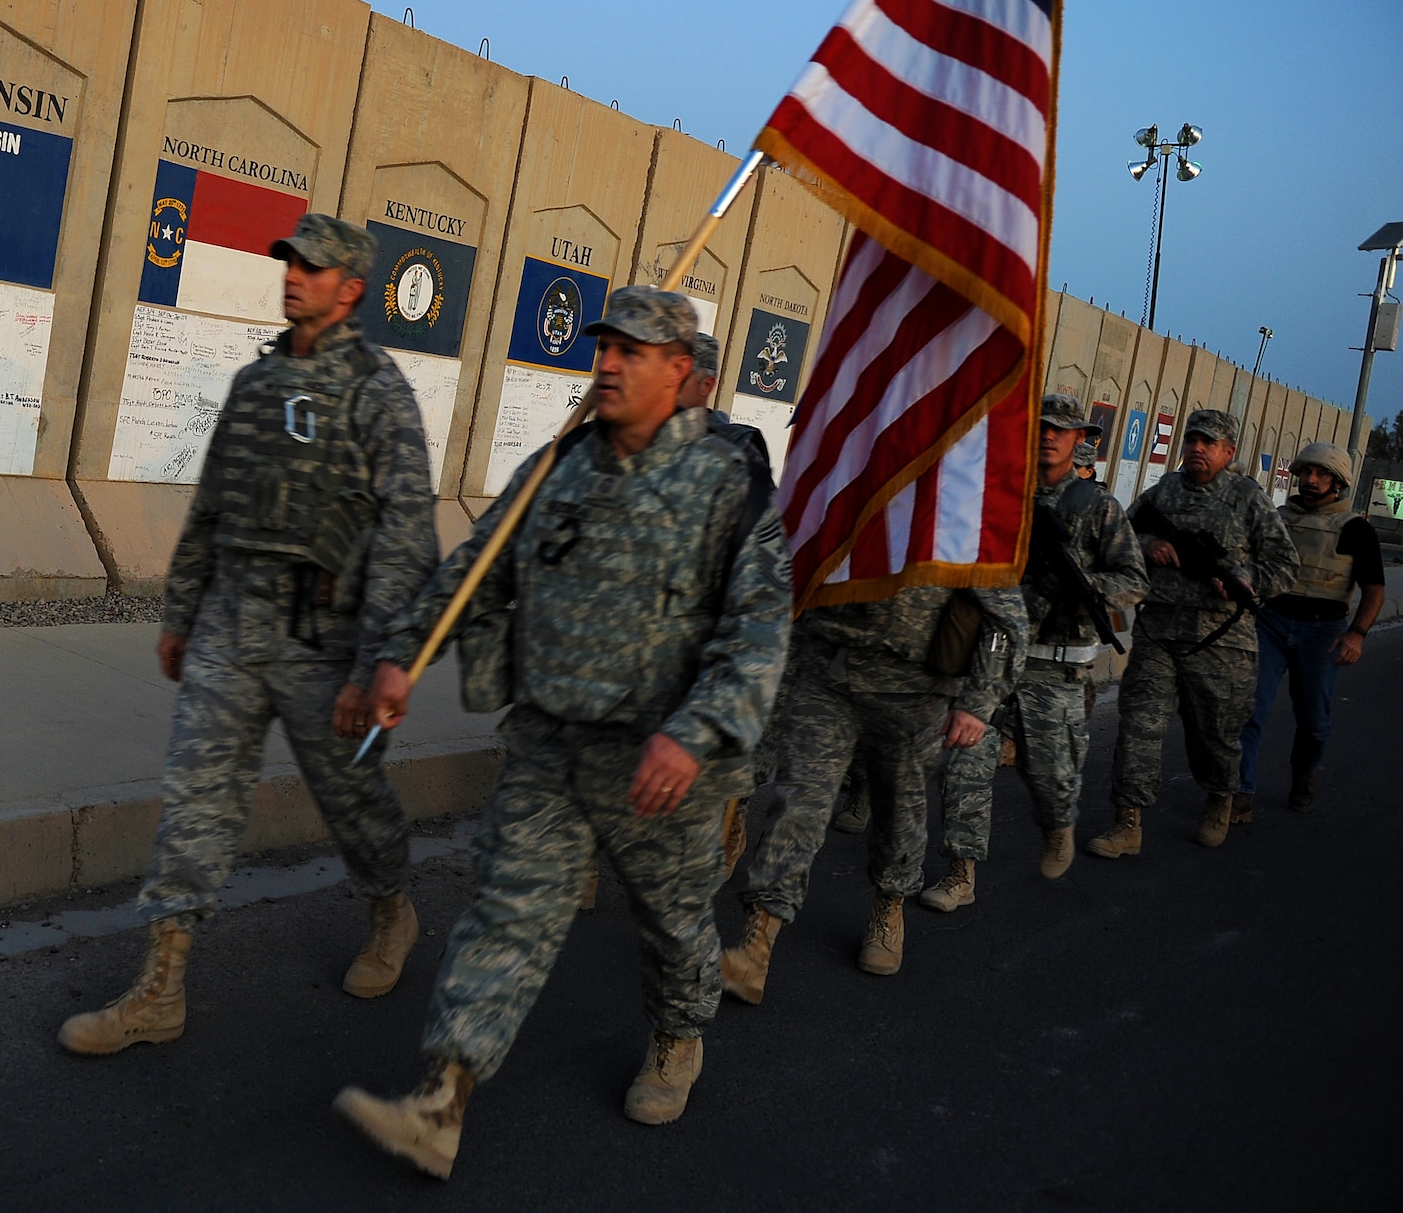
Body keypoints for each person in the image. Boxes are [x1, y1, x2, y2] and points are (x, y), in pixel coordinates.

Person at [333, 287, 790, 1178]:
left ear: (679, 371)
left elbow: (761, 628)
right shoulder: (556, 468)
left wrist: (694, 734)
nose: (609, 363)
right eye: (604, 346)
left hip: (659, 764)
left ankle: (677, 1036)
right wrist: (404, 655)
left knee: (673, 924)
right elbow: (473, 575)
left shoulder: (724, 480)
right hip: (549, 743)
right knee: (507, 910)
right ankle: (444, 1094)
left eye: (633, 350)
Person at [58, 214, 439, 1056]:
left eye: (314, 266)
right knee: (196, 798)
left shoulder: (380, 392)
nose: (294, 274)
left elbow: (406, 536)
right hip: (232, 624)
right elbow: (213, 505)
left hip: (324, 638)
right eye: (290, 261)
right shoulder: (255, 384)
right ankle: (160, 988)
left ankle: (390, 907)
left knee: (353, 800)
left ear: (353, 289)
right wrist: (182, 610)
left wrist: (380, 660)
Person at [723, 581, 1025, 996]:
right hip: (828, 676)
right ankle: (756, 942)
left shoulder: (951, 517)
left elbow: (1004, 618)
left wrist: (978, 701)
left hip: (916, 688)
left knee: (900, 815)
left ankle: (889, 903)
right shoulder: (837, 511)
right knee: (798, 806)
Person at [918, 395, 1148, 911]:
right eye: (1041, 427)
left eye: (1061, 430)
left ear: (1078, 440)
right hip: (990, 658)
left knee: (1051, 777)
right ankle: (960, 873)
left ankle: (1057, 823)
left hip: (1054, 665)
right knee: (964, 768)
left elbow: (1134, 581)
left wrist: (1080, 584)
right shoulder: (999, 494)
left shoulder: (1097, 507)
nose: (1048, 436)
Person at [1087, 409, 1298, 858]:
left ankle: (1221, 797)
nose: (1198, 449)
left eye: (1209, 443)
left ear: (1228, 452)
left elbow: (1286, 566)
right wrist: (1147, 545)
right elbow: (1117, 535)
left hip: (1221, 639)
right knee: (1139, 727)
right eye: (1193, 440)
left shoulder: (1247, 499)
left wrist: (1244, 576)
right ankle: (1127, 821)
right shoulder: (1162, 492)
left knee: (1215, 734)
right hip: (1159, 630)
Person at [1235, 441, 1386, 818]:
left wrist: (1357, 634)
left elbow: (1374, 590)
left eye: (1320, 474)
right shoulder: (1276, 519)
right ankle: (1239, 790)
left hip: (1322, 633)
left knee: (1314, 719)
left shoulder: (1354, 529)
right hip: (1269, 623)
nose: (1310, 479)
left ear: (1338, 483)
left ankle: (1303, 774)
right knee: (1248, 708)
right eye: (1305, 472)